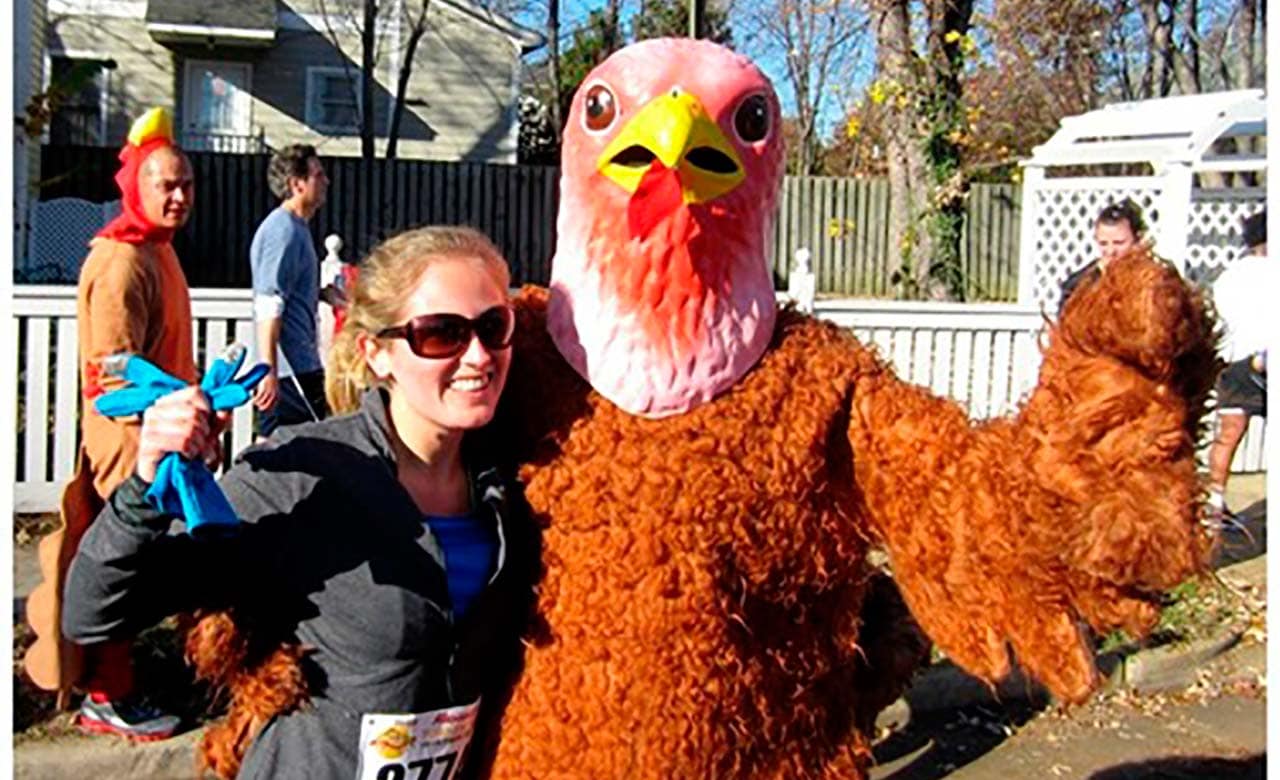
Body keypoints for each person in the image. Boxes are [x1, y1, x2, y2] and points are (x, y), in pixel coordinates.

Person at [62, 227, 532, 779]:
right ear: (376, 354)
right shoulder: (303, 473)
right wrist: (144, 489)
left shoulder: (512, 489)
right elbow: (93, 613)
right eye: (442, 334)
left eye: (494, 327)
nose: (478, 355)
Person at [23, 107, 194, 740]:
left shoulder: (158, 253)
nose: (177, 196)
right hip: (132, 445)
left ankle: (119, 677)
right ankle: (107, 693)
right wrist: (156, 435)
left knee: (141, 566)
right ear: (136, 188)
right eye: (165, 185)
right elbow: (115, 377)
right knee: (119, 562)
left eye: (185, 184)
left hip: (165, 436)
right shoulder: (123, 262)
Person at [250, 143, 330, 439]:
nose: (326, 181)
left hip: (300, 366)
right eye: (318, 175)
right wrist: (268, 371)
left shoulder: (297, 228)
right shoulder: (281, 231)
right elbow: (269, 302)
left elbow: (288, 288)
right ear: (296, 184)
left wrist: (322, 293)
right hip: (288, 373)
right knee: (284, 459)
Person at [1206, 209, 1269, 523]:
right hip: (1266, 358)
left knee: (1228, 435)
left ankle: (1214, 502)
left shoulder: (1228, 276)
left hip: (1233, 361)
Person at [1058, 200, 1148, 314]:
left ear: (1138, 239)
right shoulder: (1078, 285)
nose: (1110, 251)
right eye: (1103, 243)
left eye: (1119, 243)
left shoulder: (1156, 281)